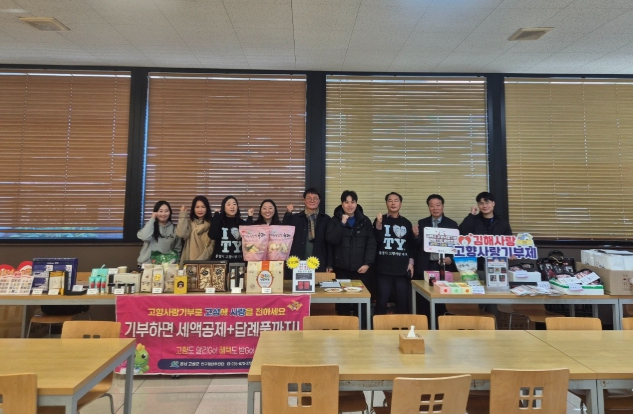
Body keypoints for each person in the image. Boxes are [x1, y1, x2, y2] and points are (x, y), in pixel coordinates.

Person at [326, 190, 376, 317]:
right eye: (346, 202)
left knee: (362, 303)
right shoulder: (334, 221)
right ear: (342, 204)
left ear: (356, 203)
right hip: (341, 269)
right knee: (343, 304)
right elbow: (331, 240)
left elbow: (371, 244)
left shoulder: (365, 221)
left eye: (352, 202)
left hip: (361, 269)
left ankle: (363, 327)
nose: (350, 205)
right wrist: (342, 224)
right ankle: (345, 328)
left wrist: (367, 264)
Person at [373, 192, 416, 315]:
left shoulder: (406, 223)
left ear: (400, 204)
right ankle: (378, 325)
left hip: (401, 269)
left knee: (403, 301)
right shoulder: (380, 220)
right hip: (383, 269)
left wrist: (411, 263)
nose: (393, 203)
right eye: (390, 200)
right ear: (386, 203)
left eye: (396, 200)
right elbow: (377, 240)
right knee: (381, 301)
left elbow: (411, 245)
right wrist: (379, 224)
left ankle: (404, 325)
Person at [282, 188, 333, 278]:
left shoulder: (326, 219)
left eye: (315, 198)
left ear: (319, 201)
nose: (312, 200)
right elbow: (284, 234)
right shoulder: (296, 218)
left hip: (319, 261)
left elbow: (329, 244)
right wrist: (288, 214)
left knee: (317, 285)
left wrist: (329, 264)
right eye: (309, 198)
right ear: (304, 200)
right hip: (298, 262)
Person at [459, 191, 513, 271]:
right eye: (481, 203)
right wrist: (471, 215)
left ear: (493, 203)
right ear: (478, 205)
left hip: (497, 264)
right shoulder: (473, 220)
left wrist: (512, 252)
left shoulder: (502, 222)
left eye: (487, 203)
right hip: (475, 265)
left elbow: (510, 240)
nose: (484, 206)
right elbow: (461, 233)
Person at [414, 194, 459, 278]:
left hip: (445, 266)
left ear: (443, 206)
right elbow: (417, 245)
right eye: (432, 206)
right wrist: (416, 236)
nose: (435, 208)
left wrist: (451, 258)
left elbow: (457, 247)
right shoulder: (422, 223)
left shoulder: (452, 224)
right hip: (426, 265)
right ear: (428, 207)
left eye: (438, 205)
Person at [208, 196, 252, 263]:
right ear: (224, 208)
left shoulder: (241, 223)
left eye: (234, 204)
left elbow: (250, 237)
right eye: (228, 204)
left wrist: (250, 217)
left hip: (238, 262)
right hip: (220, 262)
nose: (232, 207)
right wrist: (216, 216)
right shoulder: (219, 221)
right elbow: (213, 235)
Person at [137, 200, 182, 266]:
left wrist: (174, 263)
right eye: (160, 211)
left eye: (166, 211)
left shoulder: (174, 229)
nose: (163, 214)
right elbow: (145, 237)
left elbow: (177, 249)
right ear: (155, 212)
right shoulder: (150, 226)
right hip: (148, 265)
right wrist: (152, 218)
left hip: (167, 266)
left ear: (170, 213)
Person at [176, 195, 214, 266]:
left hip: (205, 264)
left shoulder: (212, 224)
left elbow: (211, 247)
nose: (200, 210)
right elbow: (181, 234)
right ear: (193, 209)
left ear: (207, 208)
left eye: (203, 207)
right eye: (197, 207)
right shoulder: (189, 224)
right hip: (188, 262)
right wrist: (183, 215)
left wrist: (198, 262)